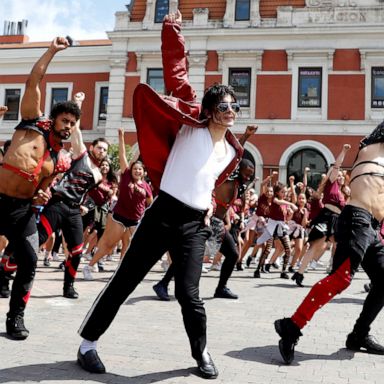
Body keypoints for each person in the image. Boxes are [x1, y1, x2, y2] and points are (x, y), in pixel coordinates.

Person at [76, 10, 243, 380]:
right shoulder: (191, 126)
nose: (230, 111)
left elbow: (210, 179)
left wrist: (211, 203)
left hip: (193, 225)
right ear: (210, 110)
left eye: (234, 105)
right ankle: (87, 344)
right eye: (224, 105)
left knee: (189, 294)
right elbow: (177, 70)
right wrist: (172, 27)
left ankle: (201, 353)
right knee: (126, 279)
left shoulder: (232, 151)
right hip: (162, 213)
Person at [275, 126, 384, 364]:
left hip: (373, 227)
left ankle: (358, 335)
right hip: (357, 218)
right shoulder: (371, 150)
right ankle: (291, 326)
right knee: (340, 279)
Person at [0, 37, 81, 340]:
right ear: (55, 117)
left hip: (21, 211)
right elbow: (35, 78)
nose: (69, 126)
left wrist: (41, 195)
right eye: (65, 119)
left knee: (30, 262)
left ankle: (15, 319)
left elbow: (41, 191)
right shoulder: (32, 121)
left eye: (73, 123)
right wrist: (52, 50)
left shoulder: (60, 160)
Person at [153, 126, 257, 301]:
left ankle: (221, 288)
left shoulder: (239, 185)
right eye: (247, 174)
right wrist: (246, 136)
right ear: (240, 170)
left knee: (231, 255)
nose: (248, 177)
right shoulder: (227, 178)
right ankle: (163, 283)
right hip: (205, 221)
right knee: (191, 256)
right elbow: (235, 155)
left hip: (217, 224)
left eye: (251, 175)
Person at [38, 111, 110, 299]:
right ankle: (5, 274)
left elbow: (85, 193)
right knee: (36, 240)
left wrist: (83, 205)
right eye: (100, 148)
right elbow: (76, 130)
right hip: (57, 203)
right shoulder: (81, 154)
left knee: (77, 251)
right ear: (92, 147)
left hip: (73, 211)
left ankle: (68, 287)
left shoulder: (99, 175)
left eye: (105, 150)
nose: (102, 151)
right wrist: (78, 105)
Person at [82, 128, 153, 280]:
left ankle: (123, 271)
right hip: (119, 217)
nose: (137, 171)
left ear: (144, 172)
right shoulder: (126, 176)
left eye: (140, 169)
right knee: (108, 245)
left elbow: (150, 203)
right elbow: (123, 156)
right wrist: (121, 138)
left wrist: (142, 195)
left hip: (135, 220)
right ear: (131, 170)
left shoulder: (146, 187)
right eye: (135, 169)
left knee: (133, 247)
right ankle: (89, 266)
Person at [291, 144, 350, 287]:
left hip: (337, 220)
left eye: (342, 176)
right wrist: (344, 151)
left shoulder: (343, 194)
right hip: (326, 217)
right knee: (315, 246)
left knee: (339, 247)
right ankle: (299, 273)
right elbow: (337, 165)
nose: (340, 177)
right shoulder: (332, 184)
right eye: (339, 175)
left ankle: (334, 273)